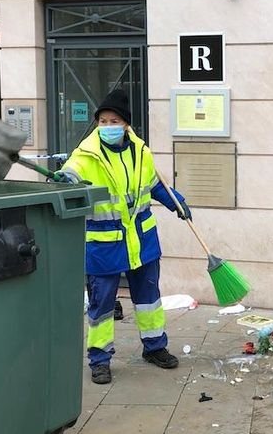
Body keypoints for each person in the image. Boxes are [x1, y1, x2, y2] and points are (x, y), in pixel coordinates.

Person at [60, 88, 192, 385]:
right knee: (101, 306)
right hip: (103, 245)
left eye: (114, 121)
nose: (107, 126)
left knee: (149, 300)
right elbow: (70, 176)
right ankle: (99, 359)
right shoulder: (85, 155)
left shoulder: (141, 152)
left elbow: (155, 186)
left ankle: (155, 347)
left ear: (126, 125)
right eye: (103, 121)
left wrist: (177, 203)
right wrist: (64, 181)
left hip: (142, 241)